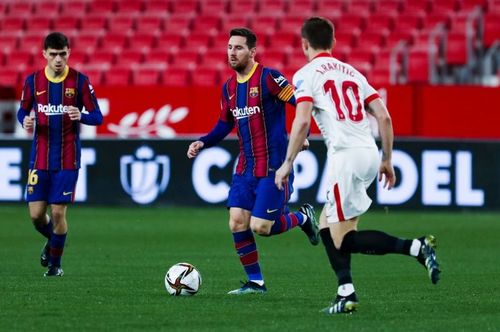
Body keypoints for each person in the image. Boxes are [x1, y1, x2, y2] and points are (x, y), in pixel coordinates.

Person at [275, 17, 441, 314]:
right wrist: (387, 159)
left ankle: (415, 248)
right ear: (334, 43)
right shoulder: (352, 72)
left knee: (343, 238)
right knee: (328, 223)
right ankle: (345, 290)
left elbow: (301, 119)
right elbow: (384, 117)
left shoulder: (305, 74)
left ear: (304, 45)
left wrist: (288, 162)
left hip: (345, 157)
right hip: (369, 153)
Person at [187, 28, 319, 295]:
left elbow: (300, 102)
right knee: (237, 221)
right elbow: (224, 124)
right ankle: (256, 283)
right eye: (229, 47)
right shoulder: (229, 88)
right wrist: (203, 142)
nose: (232, 53)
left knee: (262, 227)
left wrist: (303, 134)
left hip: (274, 167)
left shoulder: (270, 79)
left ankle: (302, 218)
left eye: (238, 48)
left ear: (252, 51)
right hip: (245, 168)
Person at [17, 32, 103, 277]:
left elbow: (98, 116)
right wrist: (26, 120)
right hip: (39, 158)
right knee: (35, 216)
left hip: (67, 159)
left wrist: (82, 116)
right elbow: (22, 111)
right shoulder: (33, 81)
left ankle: (55, 265)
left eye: (62, 54)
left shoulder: (80, 81)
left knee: (57, 212)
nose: (57, 59)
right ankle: (56, 241)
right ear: (44, 54)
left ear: (69, 53)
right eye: (53, 54)